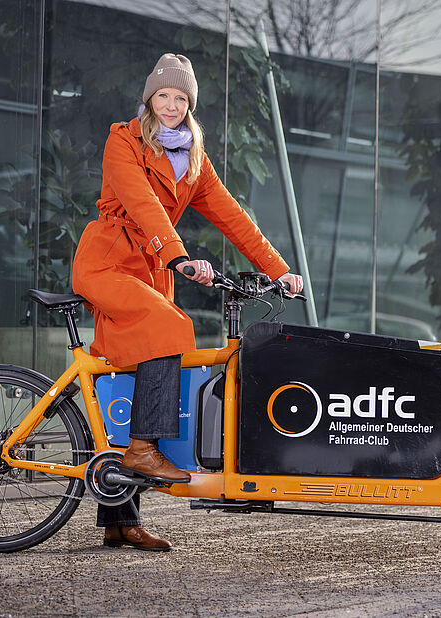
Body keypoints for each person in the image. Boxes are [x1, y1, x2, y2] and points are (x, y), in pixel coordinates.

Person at [72, 53, 303, 552]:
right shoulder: (124, 140)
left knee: (125, 383)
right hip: (108, 267)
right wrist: (179, 257)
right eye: (163, 96)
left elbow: (233, 217)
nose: (172, 105)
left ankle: (120, 519)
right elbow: (142, 204)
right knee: (174, 329)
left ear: (190, 105)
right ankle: (143, 450)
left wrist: (278, 269)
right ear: (149, 99)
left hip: (151, 275)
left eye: (181, 98)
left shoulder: (192, 158)